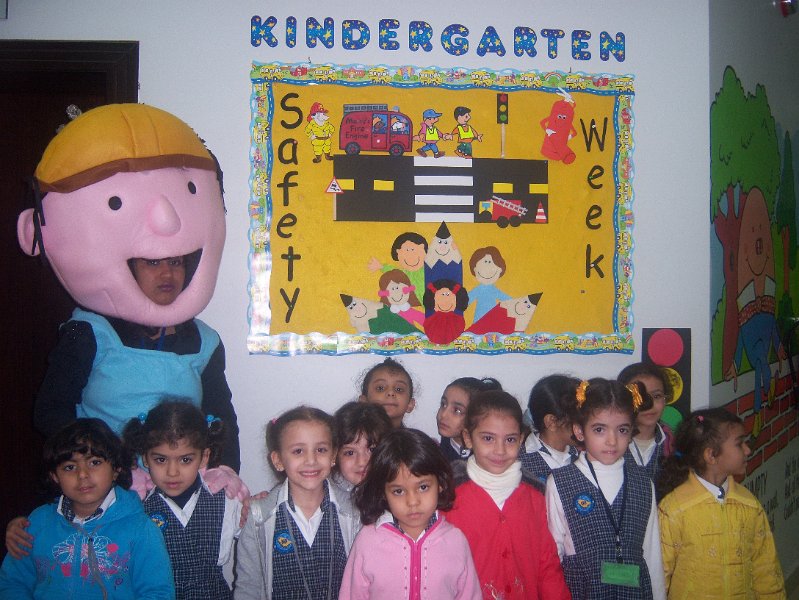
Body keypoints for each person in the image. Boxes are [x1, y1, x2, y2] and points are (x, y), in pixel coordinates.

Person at [18, 104, 240, 473]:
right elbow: (51, 411)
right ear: (131, 267)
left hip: (178, 484)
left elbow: (221, 416)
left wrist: (226, 476)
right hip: (106, 485)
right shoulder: (91, 332)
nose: (167, 273)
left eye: (175, 262)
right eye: (151, 263)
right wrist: (105, 463)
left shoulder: (205, 341)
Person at [0, 419, 174, 599]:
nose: (82, 474)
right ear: (55, 476)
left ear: (116, 469)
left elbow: (158, 593)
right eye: (70, 467)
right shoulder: (37, 522)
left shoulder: (141, 529)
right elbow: (12, 583)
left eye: (94, 462)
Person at [546, 378, 666, 600]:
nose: (612, 441)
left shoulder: (643, 483)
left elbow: (652, 554)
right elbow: (554, 553)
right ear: (579, 431)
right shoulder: (560, 482)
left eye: (622, 430)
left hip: (634, 593)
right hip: (582, 592)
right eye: (599, 429)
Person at [446, 390, 570, 600]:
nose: (500, 450)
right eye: (488, 438)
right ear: (468, 438)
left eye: (510, 439)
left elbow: (547, 565)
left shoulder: (535, 497)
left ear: (521, 439)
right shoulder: (449, 498)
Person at [234, 407, 361, 600]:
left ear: (333, 456)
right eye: (298, 451)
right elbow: (248, 587)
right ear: (278, 460)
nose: (311, 460)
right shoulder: (259, 517)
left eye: (321, 450)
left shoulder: (355, 512)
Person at [658, 409, 786, 598]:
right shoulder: (674, 510)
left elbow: (766, 569)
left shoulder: (749, 505)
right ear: (711, 455)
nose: (748, 450)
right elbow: (660, 575)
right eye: (739, 444)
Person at [340, 428, 481, 599]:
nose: (412, 502)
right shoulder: (368, 541)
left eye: (423, 487)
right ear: (383, 493)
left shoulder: (455, 541)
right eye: (398, 491)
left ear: (440, 484)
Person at [123, 401, 243, 599]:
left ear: (204, 457)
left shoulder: (227, 501)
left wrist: (261, 505)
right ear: (145, 458)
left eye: (185, 460)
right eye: (161, 459)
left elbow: (258, 533)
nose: (172, 472)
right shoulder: (137, 508)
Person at [618, 362, 674, 486]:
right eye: (640, 397)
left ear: (665, 399)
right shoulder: (610, 443)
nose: (649, 404)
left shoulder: (673, 445)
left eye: (657, 396)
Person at [520, 374, 580, 484]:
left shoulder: (584, 457)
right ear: (552, 422)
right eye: (579, 419)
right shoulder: (520, 462)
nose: (586, 425)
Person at [332, 401, 393, 493]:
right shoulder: (324, 494)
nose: (362, 462)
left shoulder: (399, 488)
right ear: (335, 456)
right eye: (350, 453)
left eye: (372, 449)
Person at [437, 377, 502, 462]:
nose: (443, 414)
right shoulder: (436, 453)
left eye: (457, 410)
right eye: (443, 404)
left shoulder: (491, 457)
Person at [358, 358, 417, 428]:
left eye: (399, 389)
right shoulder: (350, 434)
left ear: (410, 404)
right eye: (380, 388)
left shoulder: (416, 435)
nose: (391, 393)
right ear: (364, 401)